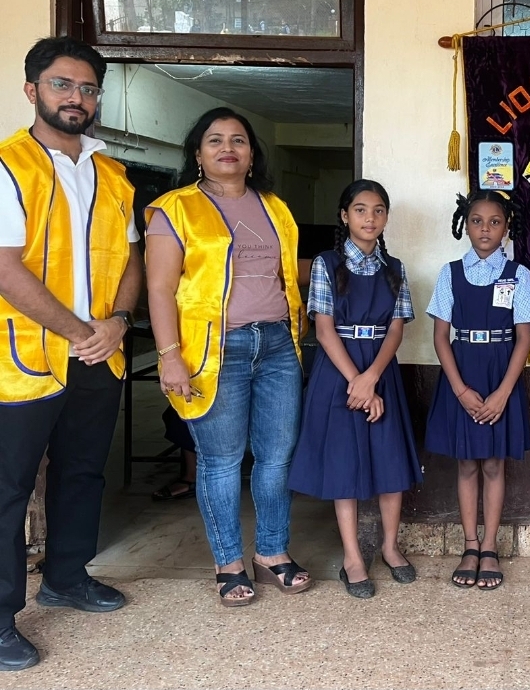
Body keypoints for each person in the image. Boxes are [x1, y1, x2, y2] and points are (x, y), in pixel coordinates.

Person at [0, 37, 142, 671]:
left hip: (98, 353)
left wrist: (116, 321)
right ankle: (2, 619)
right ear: (32, 90)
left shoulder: (112, 175)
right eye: (62, 85)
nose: (76, 98)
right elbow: (5, 270)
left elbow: (132, 260)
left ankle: (66, 577)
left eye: (87, 88)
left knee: (83, 470)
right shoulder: (8, 166)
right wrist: (79, 329)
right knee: (6, 488)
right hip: (25, 356)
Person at [145, 107, 311, 608]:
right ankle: (228, 562)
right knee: (221, 461)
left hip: (279, 345)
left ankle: (272, 551)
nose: (227, 148)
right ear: (197, 153)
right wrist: (169, 357)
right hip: (215, 351)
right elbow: (158, 289)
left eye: (238, 140)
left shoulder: (275, 207)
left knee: (276, 459)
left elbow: (285, 273)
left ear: (252, 153)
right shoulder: (174, 209)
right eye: (214, 140)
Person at [289, 180, 420, 599]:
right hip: (338, 370)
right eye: (360, 210)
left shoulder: (396, 268)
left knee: (390, 461)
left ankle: (389, 547)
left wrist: (372, 378)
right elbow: (324, 331)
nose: (370, 218)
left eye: (378, 210)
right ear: (345, 216)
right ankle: (352, 557)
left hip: (381, 370)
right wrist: (356, 380)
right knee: (344, 463)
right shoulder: (326, 265)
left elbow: (396, 330)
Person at [424, 190, 530, 590]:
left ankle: (489, 546)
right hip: (464, 373)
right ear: (465, 226)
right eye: (477, 220)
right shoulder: (450, 272)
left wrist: (503, 393)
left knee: (493, 464)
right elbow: (441, 336)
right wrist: (459, 390)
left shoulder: (519, 275)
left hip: (500, 375)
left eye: (494, 221)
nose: (485, 228)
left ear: (507, 228)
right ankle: (469, 545)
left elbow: (523, 339)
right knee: (467, 463)